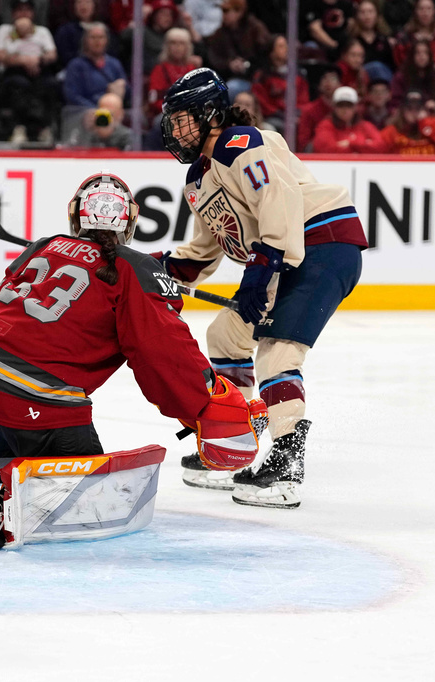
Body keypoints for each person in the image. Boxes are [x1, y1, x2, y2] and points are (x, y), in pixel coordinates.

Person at [0, 172, 267, 549]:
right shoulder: (134, 270)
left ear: (74, 215)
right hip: (30, 400)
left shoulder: (45, 246)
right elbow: (164, 354)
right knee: (90, 496)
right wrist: (204, 405)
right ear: (129, 222)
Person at [159, 68, 368, 508]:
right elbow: (204, 251)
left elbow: (281, 201)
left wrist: (265, 263)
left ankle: (287, 462)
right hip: (282, 256)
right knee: (226, 334)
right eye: (172, 122)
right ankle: (237, 437)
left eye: (183, 120)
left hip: (323, 243)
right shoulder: (198, 180)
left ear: (210, 114)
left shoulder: (243, 143)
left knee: (277, 350)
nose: (175, 131)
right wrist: (153, 267)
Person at [0, 0, 59, 144]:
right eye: (19, 10)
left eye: (27, 10)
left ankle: (44, 128)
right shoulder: (5, 30)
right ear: (13, 14)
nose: (23, 13)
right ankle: (19, 127)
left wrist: (37, 60)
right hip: (13, 71)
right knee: (19, 85)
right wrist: (22, 60)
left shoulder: (42, 31)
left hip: (39, 69)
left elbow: (52, 54)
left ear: (33, 13)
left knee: (50, 84)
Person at [204, 0, 270, 93]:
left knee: (232, 88)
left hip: (257, 79)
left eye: (226, 11)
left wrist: (247, 64)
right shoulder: (220, 33)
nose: (223, 14)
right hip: (230, 77)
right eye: (222, 10)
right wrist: (229, 64)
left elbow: (265, 54)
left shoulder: (256, 29)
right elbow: (214, 58)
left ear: (239, 12)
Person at [250, 35, 308, 131]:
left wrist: (297, 114)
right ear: (271, 52)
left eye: (286, 46)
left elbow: (304, 100)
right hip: (273, 118)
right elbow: (262, 103)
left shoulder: (299, 74)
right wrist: (283, 115)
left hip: (296, 116)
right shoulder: (261, 77)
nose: (287, 49)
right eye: (281, 46)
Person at [63, 22, 127, 108]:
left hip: (113, 108)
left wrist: (122, 86)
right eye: (93, 37)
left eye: (101, 37)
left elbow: (129, 94)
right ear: (85, 40)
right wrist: (97, 109)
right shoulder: (75, 65)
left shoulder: (114, 64)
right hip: (85, 110)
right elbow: (72, 96)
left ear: (107, 40)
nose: (97, 41)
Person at [311, 85, 387, 153]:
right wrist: (364, 145)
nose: (345, 109)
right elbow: (324, 149)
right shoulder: (326, 126)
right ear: (334, 107)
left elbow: (380, 146)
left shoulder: (365, 126)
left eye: (349, 105)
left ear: (355, 107)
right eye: (341, 105)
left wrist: (351, 143)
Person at [379, 90, 435, 155]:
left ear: (424, 109)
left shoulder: (433, 124)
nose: (414, 112)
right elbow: (378, 152)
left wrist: (425, 122)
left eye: (418, 108)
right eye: (410, 108)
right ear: (402, 111)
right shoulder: (392, 131)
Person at [147, 28, 201, 118]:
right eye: (173, 43)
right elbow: (153, 100)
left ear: (188, 47)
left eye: (181, 43)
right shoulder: (160, 69)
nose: (177, 47)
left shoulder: (192, 69)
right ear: (167, 46)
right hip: (166, 114)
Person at [391, 0, 435, 74]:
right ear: (415, 12)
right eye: (421, 9)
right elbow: (399, 63)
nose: (425, 13)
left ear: (434, 12)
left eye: (429, 9)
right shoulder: (404, 39)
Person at [296, 64, 340, 152]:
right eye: (324, 78)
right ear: (319, 84)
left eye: (332, 79)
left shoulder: (347, 110)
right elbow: (303, 143)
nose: (328, 82)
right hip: (317, 154)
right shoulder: (309, 110)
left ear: (340, 84)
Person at [348, 0, 394, 83]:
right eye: (362, 12)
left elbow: (391, 65)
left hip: (384, 79)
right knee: (375, 67)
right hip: (360, 78)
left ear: (377, 15)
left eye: (370, 12)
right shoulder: (352, 40)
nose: (367, 16)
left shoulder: (384, 39)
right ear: (357, 16)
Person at [66, 91, 131, 149]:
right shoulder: (89, 133)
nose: (105, 118)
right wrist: (85, 127)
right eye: (103, 113)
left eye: (110, 114)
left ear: (120, 114)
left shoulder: (127, 136)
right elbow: (74, 149)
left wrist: (108, 136)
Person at [390, 38, 435, 108]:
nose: (422, 56)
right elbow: (395, 102)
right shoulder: (401, 77)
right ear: (412, 56)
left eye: (425, 53)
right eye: (418, 53)